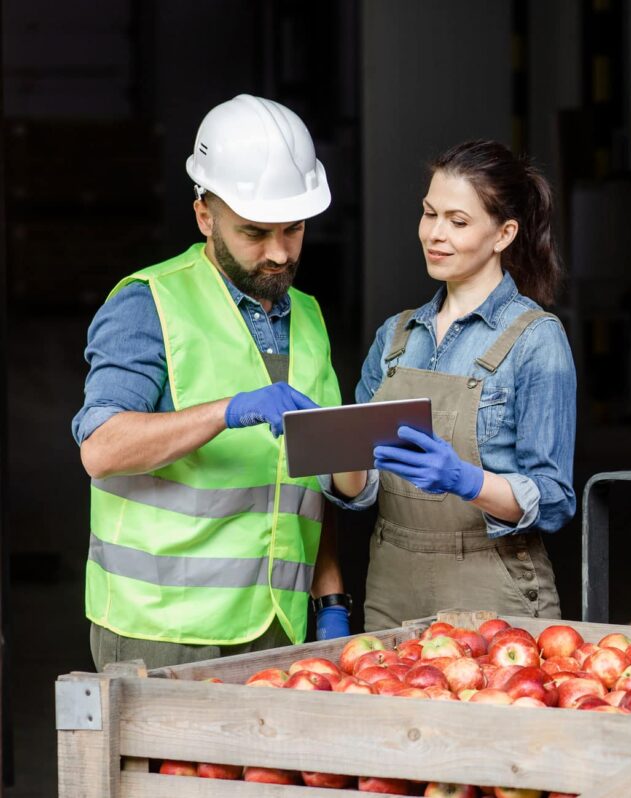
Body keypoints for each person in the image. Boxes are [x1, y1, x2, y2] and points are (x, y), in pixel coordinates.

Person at [72, 94, 369, 670]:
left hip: (282, 626)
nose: (279, 253)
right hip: (163, 631)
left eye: (295, 229)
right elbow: (101, 449)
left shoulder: (306, 315)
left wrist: (329, 595)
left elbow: (316, 477)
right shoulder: (148, 304)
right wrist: (227, 410)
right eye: (255, 232)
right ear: (205, 215)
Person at [354, 140, 577, 630]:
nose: (435, 234)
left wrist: (467, 481)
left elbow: (555, 498)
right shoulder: (395, 337)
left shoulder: (536, 339)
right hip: (391, 582)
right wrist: (331, 449)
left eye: (457, 222)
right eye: (429, 214)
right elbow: (363, 485)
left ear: (504, 234)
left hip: (491, 584)